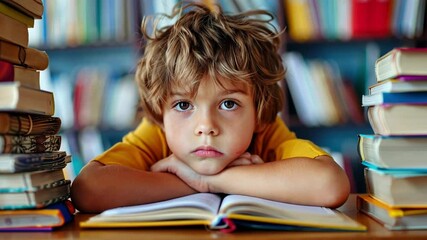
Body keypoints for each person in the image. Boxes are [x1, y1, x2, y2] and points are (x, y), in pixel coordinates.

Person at [70, 3, 350, 213]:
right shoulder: (156, 133)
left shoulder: (266, 131)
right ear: (160, 113)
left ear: (259, 113)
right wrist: (200, 182)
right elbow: (89, 189)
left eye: (229, 104)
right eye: (183, 105)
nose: (206, 126)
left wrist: (213, 181)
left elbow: (330, 185)